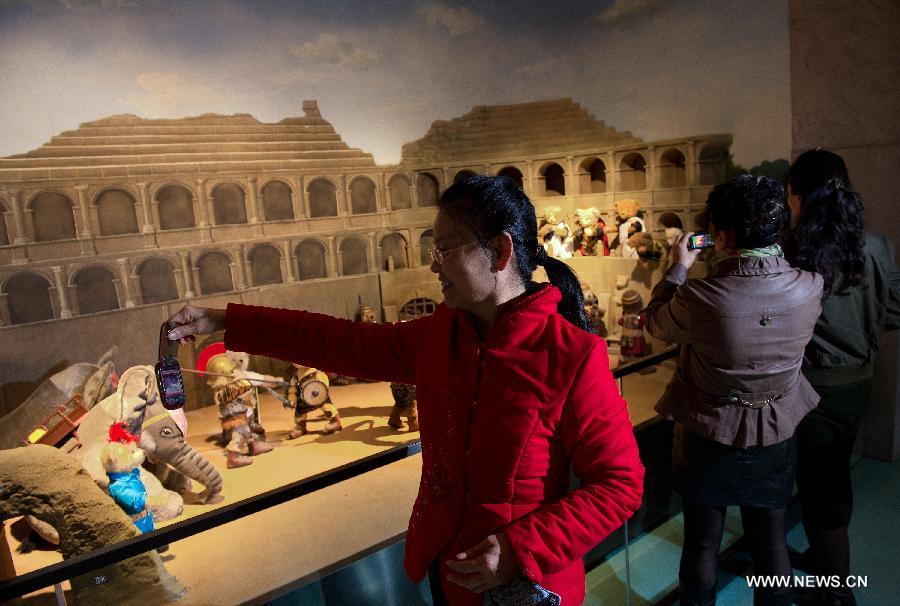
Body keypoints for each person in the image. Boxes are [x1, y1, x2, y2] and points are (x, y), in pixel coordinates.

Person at [166, 175, 644, 605]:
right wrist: (226, 321)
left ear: (499, 252)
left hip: (524, 587)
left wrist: (520, 549)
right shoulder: (438, 338)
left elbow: (620, 485)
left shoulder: (571, 355)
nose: (435, 266)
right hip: (448, 574)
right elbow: (339, 343)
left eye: (446, 248)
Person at [645, 175, 824, 606]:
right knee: (771, 541)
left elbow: (655, 322)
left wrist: (680, 266)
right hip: (776, 431)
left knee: (702, 542)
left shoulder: (702, 297)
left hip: (708, 434)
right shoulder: (811, 286)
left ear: (720, 236)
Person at [784, 149, 900, 606]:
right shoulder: (877, 246)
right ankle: (826, 561)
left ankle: (836, 590)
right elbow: (895, 309)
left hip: (812, 390)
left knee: (819, 488)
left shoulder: (797, 252)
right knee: (834, 477)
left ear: (798, 199)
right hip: (859, 382)